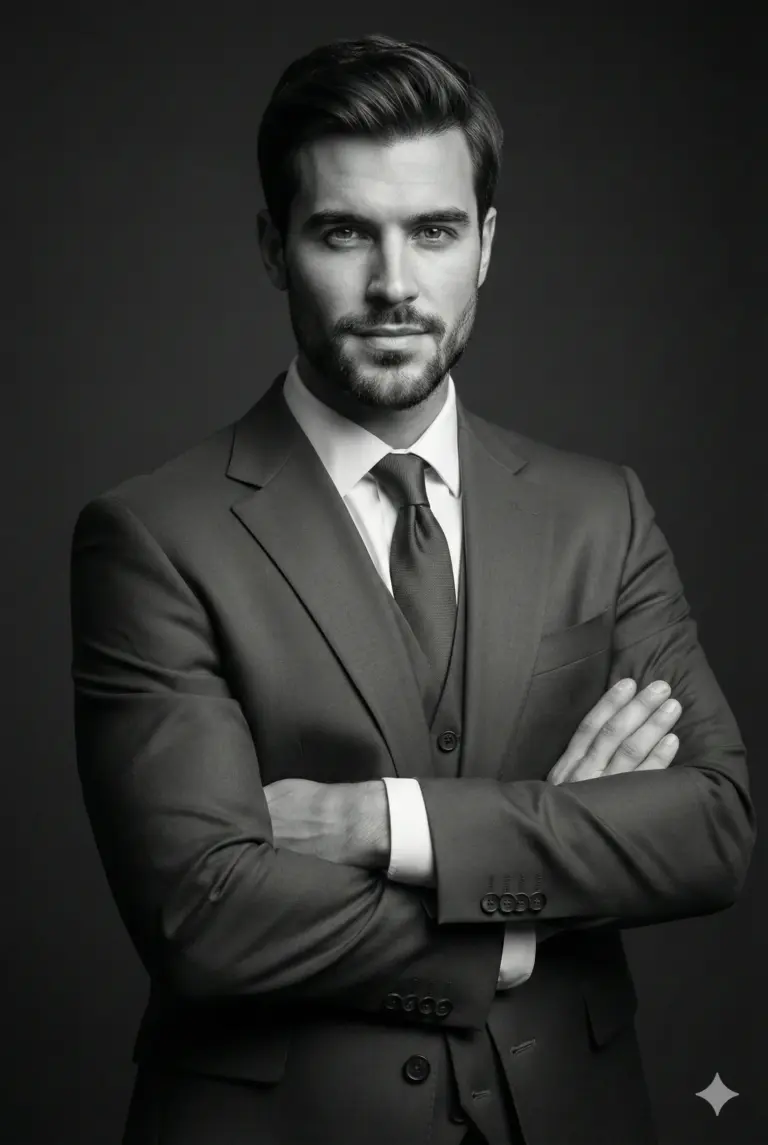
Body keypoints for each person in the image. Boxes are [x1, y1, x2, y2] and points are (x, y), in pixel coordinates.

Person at [70, 33, 755, 1145]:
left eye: (433, 230)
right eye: (345, 232)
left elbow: (713, 825)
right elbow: (206, 916)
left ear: (484, 244)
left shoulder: (601, 509)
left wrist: (384, 821)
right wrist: (525, 918)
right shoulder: (151, 534)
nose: (395, 285)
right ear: (273, 245)